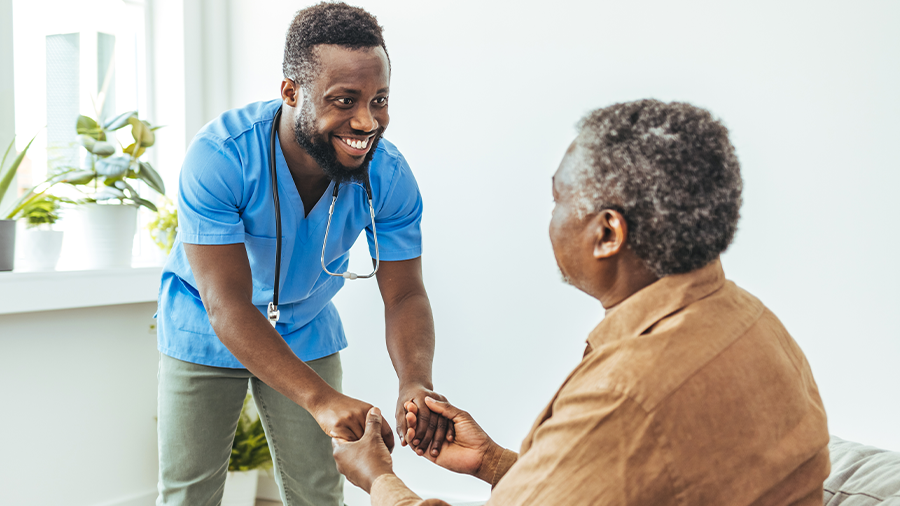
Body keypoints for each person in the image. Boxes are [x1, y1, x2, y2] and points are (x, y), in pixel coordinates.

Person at [332, 100, 831, 505]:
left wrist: (378, 479)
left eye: (559, 199)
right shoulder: (752, 320)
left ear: (607, 232)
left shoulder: (624, 395)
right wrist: (493, 463)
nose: (552, 219)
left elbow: (620, 435)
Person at [155, 3, 450, 505]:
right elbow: (226, 304)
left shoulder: (390, 174)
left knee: (318, 490)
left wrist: (415, 382)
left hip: (306, 323)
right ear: (291, 92)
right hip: (206, 323)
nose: (366, 121)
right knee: (190, 491)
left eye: (378, 99)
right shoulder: (221, 156)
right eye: (344, 100)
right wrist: (321, 398)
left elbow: (405, 294)